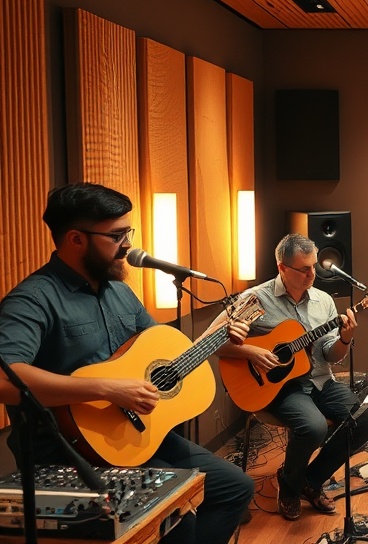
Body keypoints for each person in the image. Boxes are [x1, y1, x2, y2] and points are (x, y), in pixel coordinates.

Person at [0, 183, 253, 544]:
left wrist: (214, 341)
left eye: (128, 233)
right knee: (177, 517)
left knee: (235, 487)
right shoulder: (32, 300)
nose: (128, 246)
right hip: (68, 451)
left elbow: (160, 352)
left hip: (137, 436)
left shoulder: (119, 292)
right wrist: (107, 389)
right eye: (116, 236)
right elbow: (5, 380)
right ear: (75, 239)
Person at [213, 233, 368, 520]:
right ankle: (290, 490)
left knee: (366, 420)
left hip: (321, 380)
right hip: (279, 386)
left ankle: (308, 480)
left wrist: (345, 338)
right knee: (314, 427)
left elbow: (331, 355)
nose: (312, 274)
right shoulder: (255, 299)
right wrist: (252, 352)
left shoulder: (323, 301)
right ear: (282, 268)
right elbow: (214, 342)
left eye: (313, 266)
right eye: (304, 269)